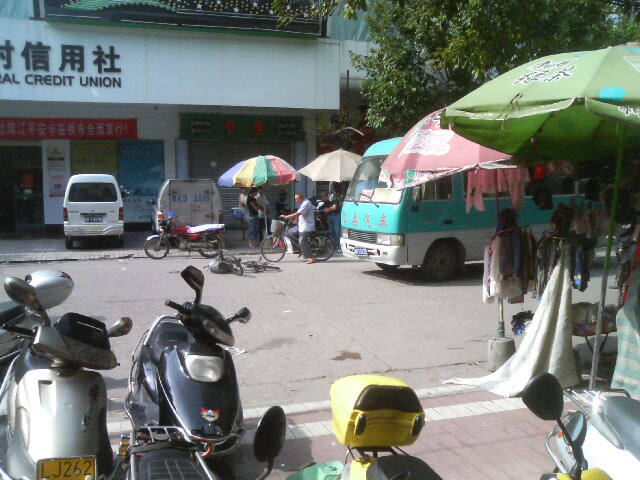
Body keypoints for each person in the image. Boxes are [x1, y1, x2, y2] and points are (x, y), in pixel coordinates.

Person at [281, 192, 316, 264]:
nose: (296, 200)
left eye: (297, 199)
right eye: (295, 199)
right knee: (289, 233)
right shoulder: (302, 204)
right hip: (301, 226)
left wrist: (287, 217)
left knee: (302, 241)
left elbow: (298, 214)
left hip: (307, 226)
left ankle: (312, 258)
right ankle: (302, 248)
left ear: (302, 198)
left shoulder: (306, 203)